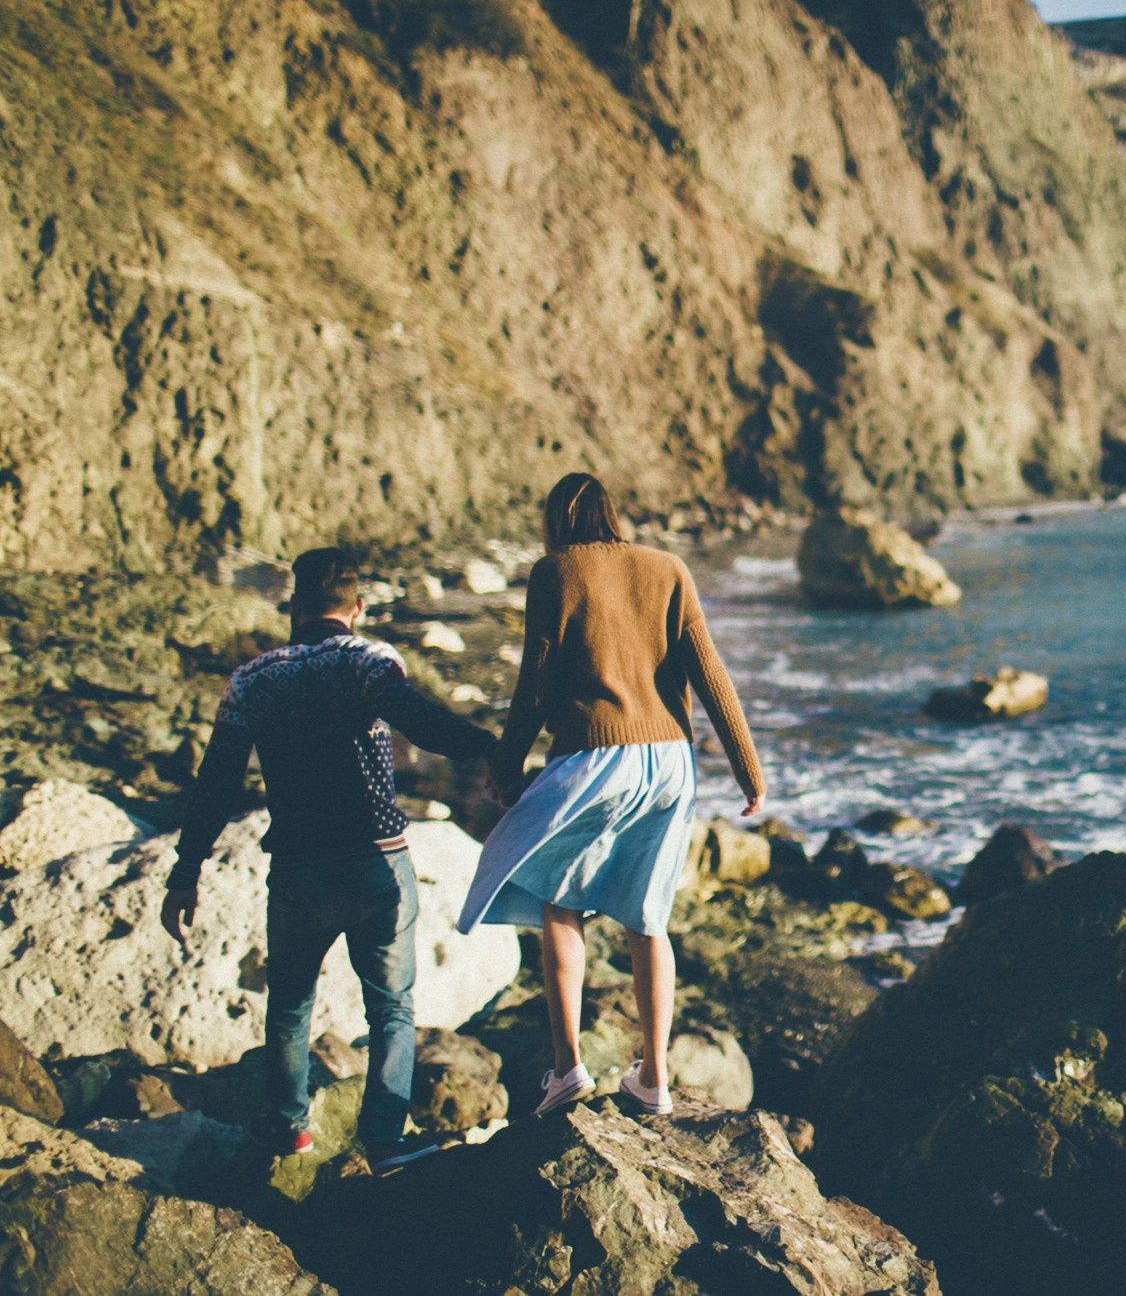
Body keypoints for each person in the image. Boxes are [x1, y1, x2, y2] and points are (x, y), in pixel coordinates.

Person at [161, 548, 497, 1173]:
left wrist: (187, 870)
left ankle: (289, 1126)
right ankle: (385, 1139)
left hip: (298, 871)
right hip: (376, 862)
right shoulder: (370, 662)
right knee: (392, 1007)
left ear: (294, 607)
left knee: (290, 1005)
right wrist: (493, 750)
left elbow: (217, 783)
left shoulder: (252, 680)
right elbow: (423, 723)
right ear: (359, 608)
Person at [458, 472, 764, 1118]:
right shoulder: (668, 566)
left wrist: (507, 764)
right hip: (670, 762)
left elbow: (535, 682)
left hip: (594, 756)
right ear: (611, 513)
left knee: (556, 897)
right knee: (648, 917)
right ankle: (654, 1077)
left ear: (556, 520)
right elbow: (710, 671)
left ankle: (567, 1067)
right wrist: (749, 772)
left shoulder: (556, 571)